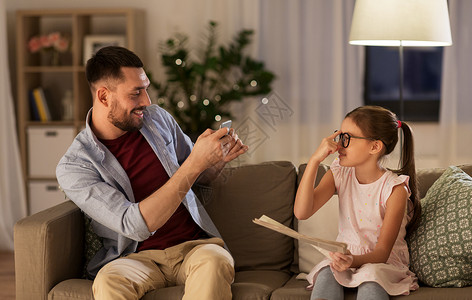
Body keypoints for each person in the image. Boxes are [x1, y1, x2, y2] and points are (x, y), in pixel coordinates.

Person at [56, 46, 248, 300]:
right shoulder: (75, 166)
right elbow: (133, 225)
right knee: (108, 282)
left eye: (146, 88)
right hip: (135, 259)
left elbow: (198, 177)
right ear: (104, 97)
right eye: (136, 93)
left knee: (216, 261)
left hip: (194, 249)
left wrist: (214, 161)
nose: (147, 101)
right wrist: (194, 163)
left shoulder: (157, 119)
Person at [294, 105, 421, 300]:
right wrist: (314, 160)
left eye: (347, 138)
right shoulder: (339, 172)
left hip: (381, 263)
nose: (339, 145)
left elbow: (382, 253)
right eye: (339, 137)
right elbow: (302, 212)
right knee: (327, 274)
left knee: (371, 279)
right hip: (344, 259)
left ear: (374, 146)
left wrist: (352, 261)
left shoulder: (395, 190)